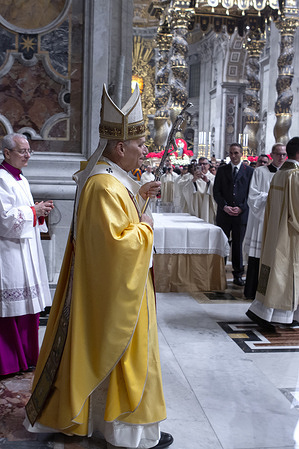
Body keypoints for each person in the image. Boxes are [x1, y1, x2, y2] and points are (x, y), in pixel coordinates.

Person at [24, 85, 173, 449]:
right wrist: (146, 229)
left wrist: (140, 194)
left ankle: (116, 423)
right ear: (120, 147)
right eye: (139, 145)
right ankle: (123, 428)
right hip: (115, 294)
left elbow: (118, 219)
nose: (143, 152)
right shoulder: (103, 185)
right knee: (124, 353)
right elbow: (115, 246)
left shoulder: (112, 179)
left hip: (122, 288)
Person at [0, 133, 53, 376]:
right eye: (22, 151)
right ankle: (11, 361)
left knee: (28, 307)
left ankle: (28, 357)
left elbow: (23, 213)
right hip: (9, 252)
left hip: (26, 251)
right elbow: (4, 220)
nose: (27, 155)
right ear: (7, 153)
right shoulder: (1, 178)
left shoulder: (20, 179)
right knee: (11, 309)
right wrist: (34, 210)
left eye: (29, 150)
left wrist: (38, 212)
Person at [246, 137, 299, 330]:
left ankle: (264, 311)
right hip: (290, 236)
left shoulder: (279, 174)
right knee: (285, 275)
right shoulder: (294, 175)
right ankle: (275, 315)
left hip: (275, 232)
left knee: (274, 272)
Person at [243, 143, 287, 299]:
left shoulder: (289, 174)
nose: (281, 157)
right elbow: (253, 196)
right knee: (257, 258)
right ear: (272, 155)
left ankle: (271, 293)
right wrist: (271, 196)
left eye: (284, 154)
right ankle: (252, 292)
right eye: (278, 154)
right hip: (261, 220)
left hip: (279, 221)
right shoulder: (260, 172)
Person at [213, 143, 254, 286]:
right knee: (222, 243)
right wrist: (224, 206)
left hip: (240, 214)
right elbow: (216, 192)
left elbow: (251, 193)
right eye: (231, 153)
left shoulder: (249, 171)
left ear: (241, 153)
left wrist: (241, 208)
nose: (233, 156)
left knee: (237, 245)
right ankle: (219, 273)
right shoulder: (222, 170)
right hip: (224, 214)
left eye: (236, 153)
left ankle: (238, 274)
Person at [182, 158, 216, 224]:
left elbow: (216, 191)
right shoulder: (192, 178)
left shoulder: (213, 178)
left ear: (209, 166)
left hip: (208, 208)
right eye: (200, 164)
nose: (202, 166)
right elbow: (185, 191)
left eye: (204, 164)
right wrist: (194, 180)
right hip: (196, 207)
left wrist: (208, 182)